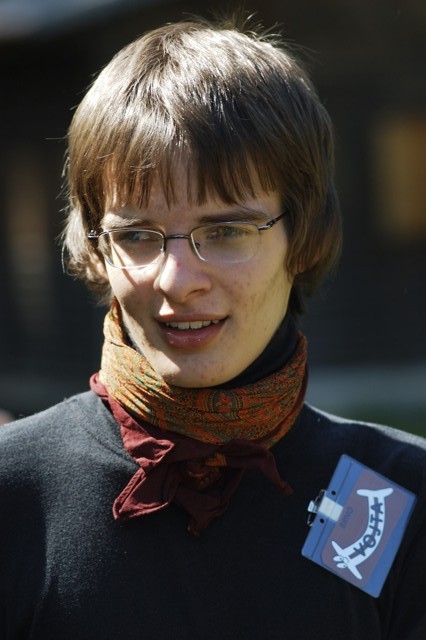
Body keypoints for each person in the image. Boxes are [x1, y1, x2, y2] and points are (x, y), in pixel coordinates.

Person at [0, 16, 425, 640]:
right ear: (95, 248)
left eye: (225, 231)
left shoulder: (395, 494)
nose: (177, 281)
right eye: (137, 235)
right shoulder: (14, 491)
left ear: (303, 237)